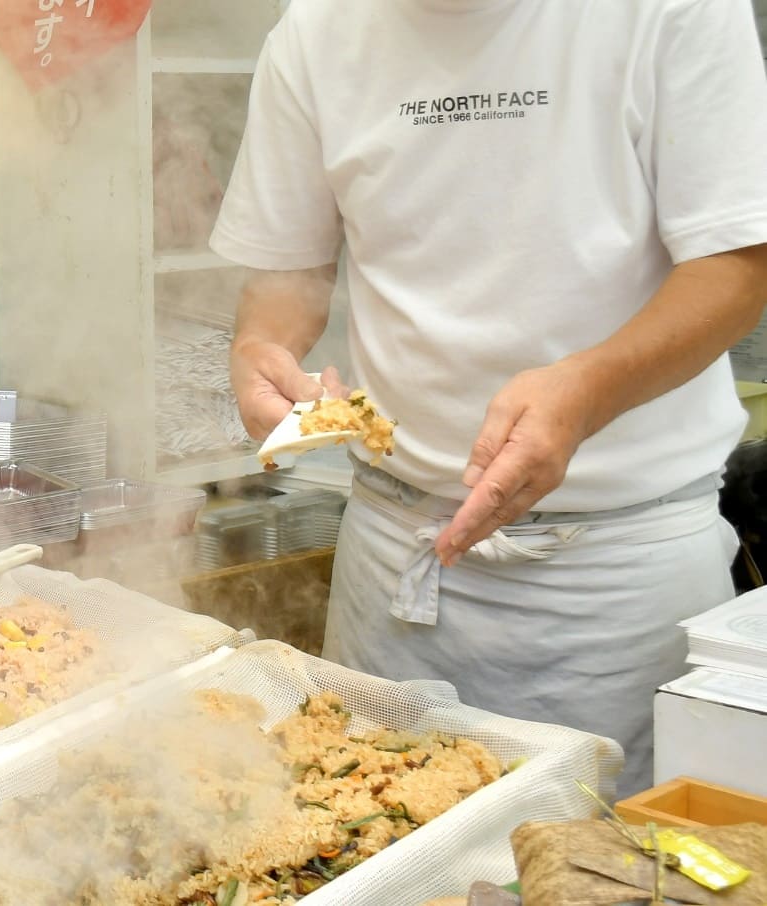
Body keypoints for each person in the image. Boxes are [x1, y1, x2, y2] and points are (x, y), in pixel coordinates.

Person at [209, 0, 767, 798]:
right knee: (369, 849)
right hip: (395, 564)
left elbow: (737, 268)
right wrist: (260, 349)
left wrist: (588, 387)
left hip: (616, 580)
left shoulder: (670, 10)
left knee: (610, 866)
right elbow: (289, 270)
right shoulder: (318, 28)